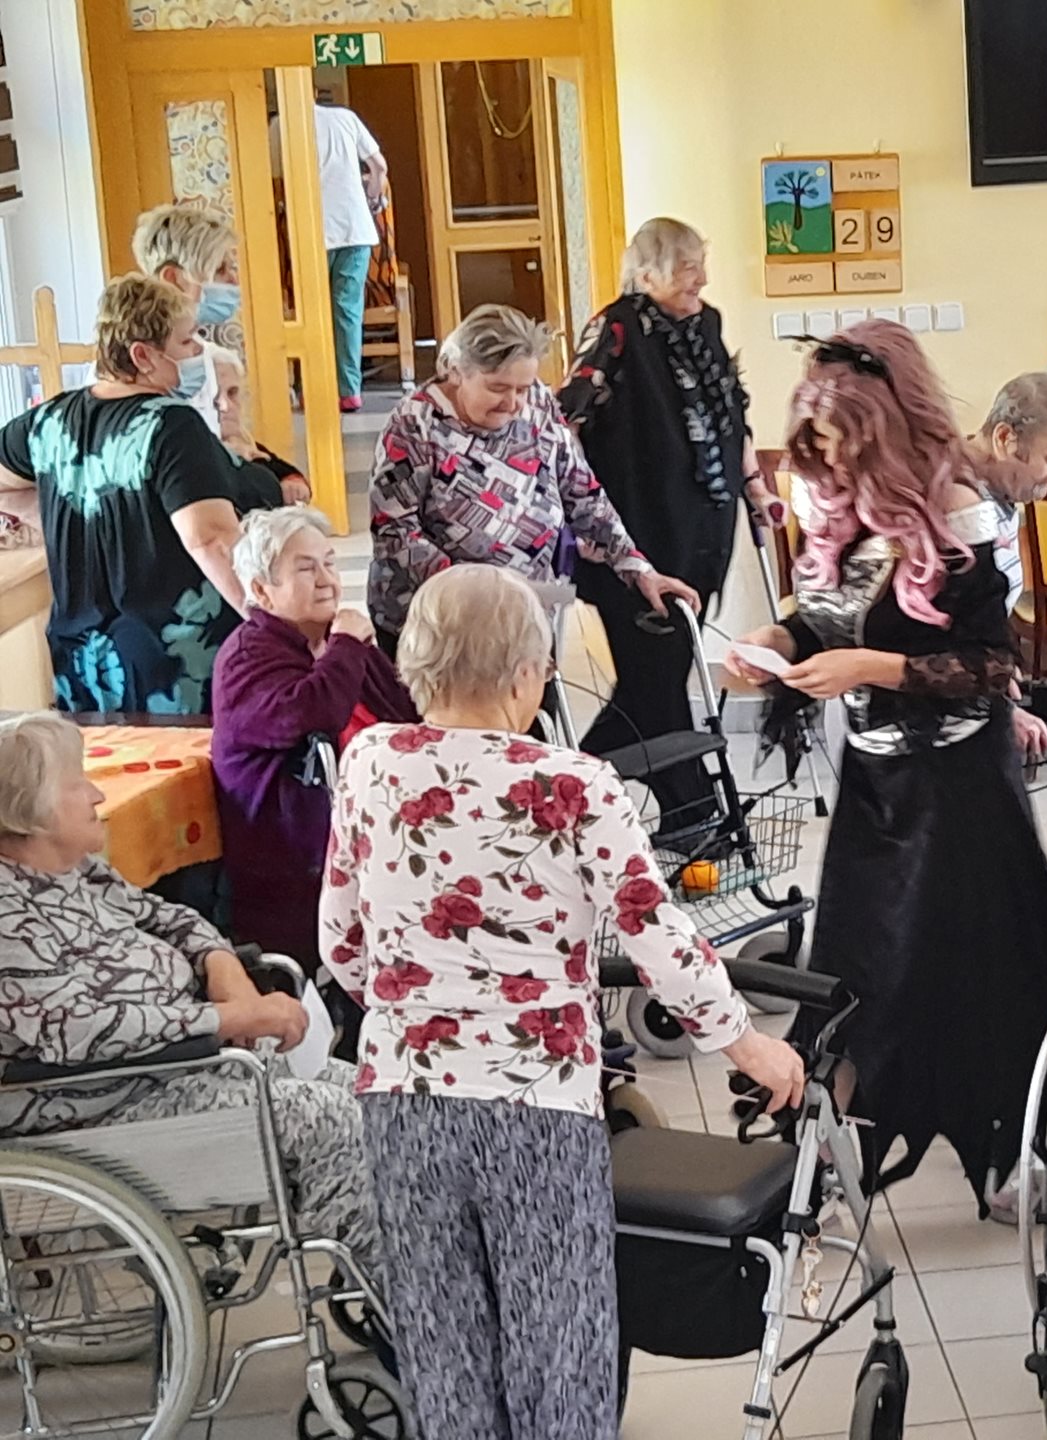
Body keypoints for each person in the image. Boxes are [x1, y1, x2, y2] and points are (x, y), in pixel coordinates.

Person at [319, 563, 801, 1440]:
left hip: (402, 1099)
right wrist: (746, 1043)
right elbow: (657, 934)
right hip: (536, 1104)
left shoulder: (370, 761)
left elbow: (341, 941)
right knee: (559, 1347)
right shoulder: (572, 782)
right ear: (519, 676)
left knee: (442, 1345)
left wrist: (416, 1009)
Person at [724, 321, 1047, 1211]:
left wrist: (869, 669)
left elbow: (989, 666)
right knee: (856, 970)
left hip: (960, 794)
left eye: (842, 440)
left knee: (976, 979)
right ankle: (828, 1154)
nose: (829, 460)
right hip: (876, 785)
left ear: (884, 423)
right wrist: (778, 641)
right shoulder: (843, 506)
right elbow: (829, 617)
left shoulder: (959, 507)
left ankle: (1009, 1154)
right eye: (817, 443)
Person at [0, 712, 382, 1281]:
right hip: (107, 1101)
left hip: (180, 1065)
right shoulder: (8, 917)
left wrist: (222, 967)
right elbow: (78, 1030)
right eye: (77, 784)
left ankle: (392, 1276)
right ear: (27, 811)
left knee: (372, 1095)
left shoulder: (77, 873)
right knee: (331, 1119)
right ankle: (385, 1292)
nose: (97, 794)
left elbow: (171, 918)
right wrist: (228, 1018)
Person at [559, 218, 779, 809]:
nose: (700, 279)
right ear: (649, 271)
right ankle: (687, 808)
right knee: (655, 674)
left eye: (701, 266)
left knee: (659, 674)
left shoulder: (707, 324)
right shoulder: (616, 328)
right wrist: (576, 513)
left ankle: (579, 786)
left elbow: (734, 412)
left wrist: (756, 486)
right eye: (687, 268)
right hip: (638, 533)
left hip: (703, 530)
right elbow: (567, 419)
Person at [367, 303, 697, 651]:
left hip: (525, 616)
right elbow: (394, 533)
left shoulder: (538, 402)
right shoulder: (414, 424)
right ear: (457, 372)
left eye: (522, 388)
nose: (513, 403)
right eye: (497, 388)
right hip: (441, 625)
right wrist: (480, 590)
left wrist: (637, 567)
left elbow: (581, 492)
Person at [0, 275, 253, 714]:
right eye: (186, 341)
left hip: (82, 662)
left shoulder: (48, 420)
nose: (198, 352)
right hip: (174, 661)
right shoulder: (172, 425)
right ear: (143, 355)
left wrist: (62, 518)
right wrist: (271, 623)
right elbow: (210, 539)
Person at [212, 506, 416, 970]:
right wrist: (346, 647)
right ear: (261, 590)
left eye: (329, 563)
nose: (327, 580)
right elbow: (313, 713)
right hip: (298, 867)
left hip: (375, 835)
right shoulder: (246, 657)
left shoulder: (336, 639)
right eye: (306, 569)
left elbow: (406, 715)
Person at [964, 370, 1047, 759]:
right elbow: (937, 641)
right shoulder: (956, 503)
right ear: (1005, 439)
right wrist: (1000, 712)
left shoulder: (998, 490)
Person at [273, 100, 388, 412]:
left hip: (311, 232)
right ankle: (349, 391)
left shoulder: (281, 125)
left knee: (311, 312)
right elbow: (379, 167)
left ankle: (311, 389)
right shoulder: (345, 118)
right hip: (355, 229)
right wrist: (372, 198)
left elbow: (275, 180)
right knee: (347, 311)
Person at [131, 202, 241, 434]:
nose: (234, 280)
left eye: (233, 268)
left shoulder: (207, 354)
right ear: (172, 279)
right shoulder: (125, 368)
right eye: (220, 270)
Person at [209, 343, 312, 505]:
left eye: (232, 393)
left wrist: (294, 486)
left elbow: (285, 473)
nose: (226, 406)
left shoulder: (247, 445)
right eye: (212, 396)